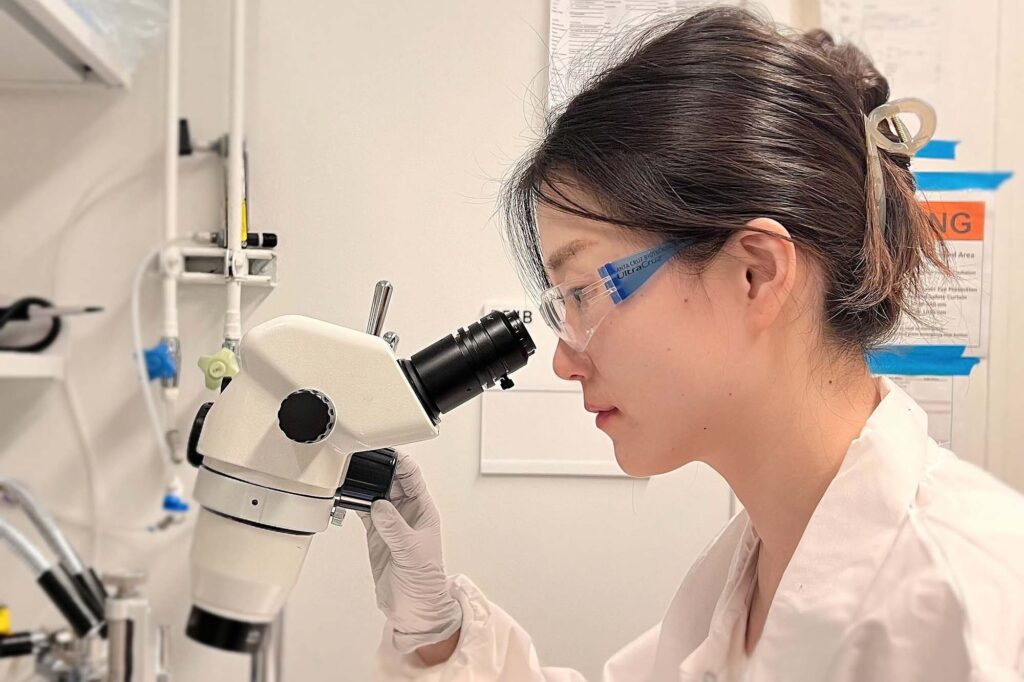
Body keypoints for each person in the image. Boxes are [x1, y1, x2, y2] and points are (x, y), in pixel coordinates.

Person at [360, 7, 1024, 681]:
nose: (563, 360)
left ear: (755, 274)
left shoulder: (978, 615)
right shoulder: (739, 583)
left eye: (582, 293)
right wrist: (437, 633)